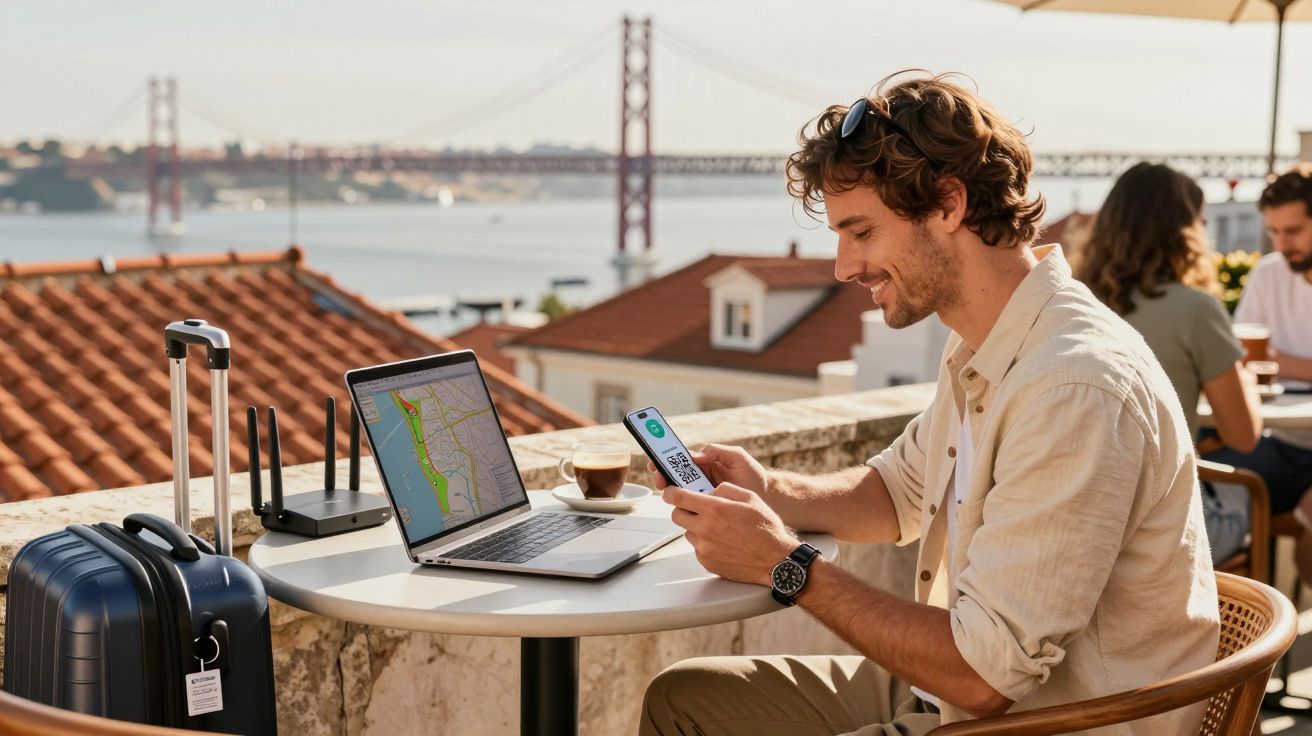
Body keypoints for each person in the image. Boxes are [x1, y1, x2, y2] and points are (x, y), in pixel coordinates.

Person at [640, 72, 1218, 736]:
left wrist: (783, 564)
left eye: (861, 232)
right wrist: (769, 491)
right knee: (682, 699)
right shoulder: (988, 339)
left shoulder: (1072, 386)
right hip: (950, 694)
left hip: (1045, 719)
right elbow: (898, 492)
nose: (843, 267)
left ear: (948, 204)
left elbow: (984, 677)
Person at [1074, 162, 1261, 564]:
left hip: (1080, 520)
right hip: (1164, 534)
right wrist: (1244, 377)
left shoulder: (1073, 304)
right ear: (1185, 233)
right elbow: (1243, 436)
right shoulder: (1196, 310)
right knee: (1249, 496)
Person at [1204, 165, 1312, 578]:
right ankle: (1244, 602)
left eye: (1294, 231)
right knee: (1196, 482)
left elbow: (1257, 358)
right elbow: (1240, 357)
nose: (1282, 244)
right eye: (1275, 232)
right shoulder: (1269, 272)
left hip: (1290, 441)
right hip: (1279, 440)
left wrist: (1277, 360)